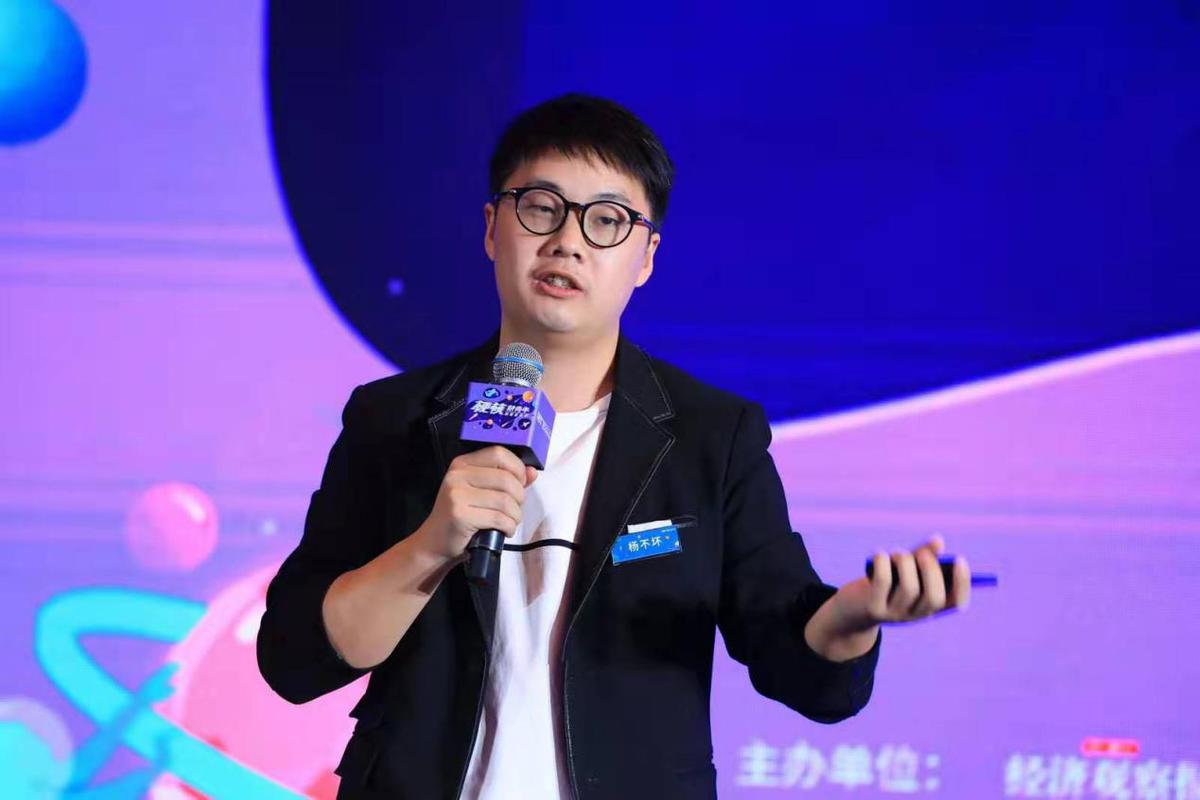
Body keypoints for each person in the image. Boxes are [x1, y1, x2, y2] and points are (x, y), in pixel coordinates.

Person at [256, 94, 972, 800]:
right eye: (541, 207)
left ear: (646, 257)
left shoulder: (710, 437)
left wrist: (854, 616)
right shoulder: (394, 420)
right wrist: (429, 546)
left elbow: (797, 662)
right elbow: (294, 659)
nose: (567, 241)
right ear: (492, 228)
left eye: (606, 220)